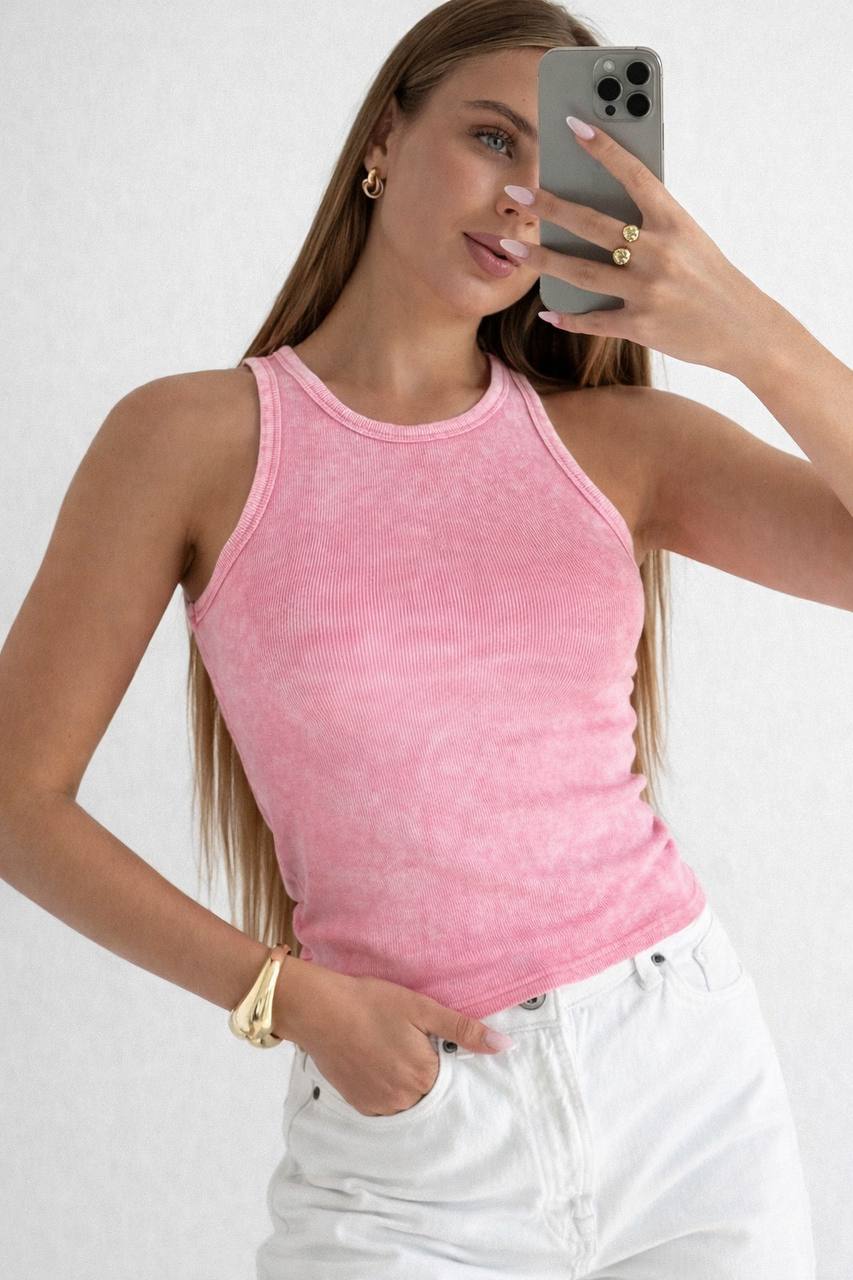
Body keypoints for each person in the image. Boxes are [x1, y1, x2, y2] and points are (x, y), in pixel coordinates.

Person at [9, 0, 853, 1274]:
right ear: (382, 142)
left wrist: (742, 327)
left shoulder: (616, 446)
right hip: (408, 1135)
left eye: (560, 168)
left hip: (684, 1097)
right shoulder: (189, 441)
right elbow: (17, 795)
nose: (521, 197)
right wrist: (283, 995)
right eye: (492, 138)